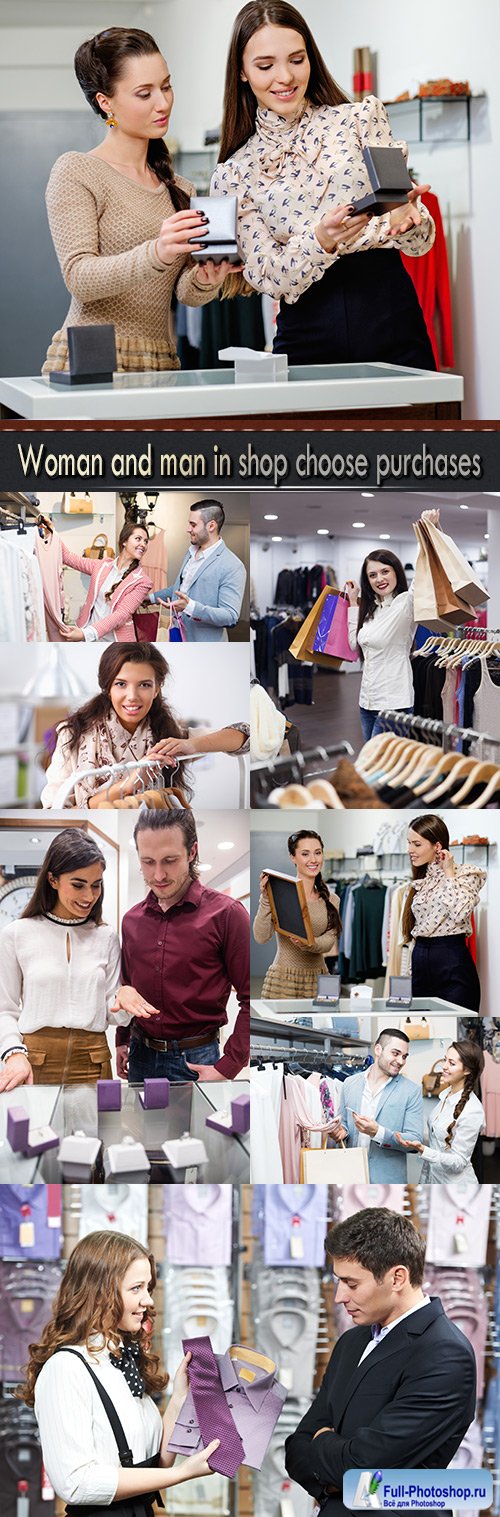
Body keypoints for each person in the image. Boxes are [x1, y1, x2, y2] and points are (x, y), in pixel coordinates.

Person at [212, 2, 436, 369]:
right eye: (265, 66)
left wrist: (409, 218)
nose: (284, 77)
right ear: (241, 71)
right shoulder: (235, 173)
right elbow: (269, 276)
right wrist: (321, 239)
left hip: (392, 318)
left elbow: (419, 243)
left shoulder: (362, 120)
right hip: (307, 335)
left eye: (297, 60)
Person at [43, 26, 234, 375]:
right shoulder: (78, 171)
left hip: (159, 358)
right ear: (105, 102)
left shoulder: (181, 188)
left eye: (166, 86)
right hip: (92, 354)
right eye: (144, 93)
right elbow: (79, 277)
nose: (163, 103)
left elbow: (184, 294)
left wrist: (208, 277)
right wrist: (157, 252)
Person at [284, 1208, 476, 1517]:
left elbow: (364, 1464)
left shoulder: (444, 1353)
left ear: (397, 1277)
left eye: (351, 1283)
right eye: (338, 1281)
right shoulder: (351, 1342)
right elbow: (297, 1448)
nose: (339, 1297)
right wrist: (334, 1462)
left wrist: (325, 1448)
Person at [21, 1230, 220, 1513]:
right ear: (100, 1293)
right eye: (136, 1288)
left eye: (148, 1288)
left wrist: (179, 1397)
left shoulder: (123, 1361)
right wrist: (182, 1474)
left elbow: (157, 1463)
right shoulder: (65, 1369)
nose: (149, 1301)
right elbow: (75, 1483)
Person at [0, 830, 155, 1091]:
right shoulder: (17, 934)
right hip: (35, 1062)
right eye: (78, 884)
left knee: (97, 1132)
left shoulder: (105, 937)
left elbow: (112, 1014)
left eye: (96, 885)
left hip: (93, 1062)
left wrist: (124, 998)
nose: (89, 897)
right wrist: (13, 1053)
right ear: (52, 879)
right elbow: (5, 1008)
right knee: (39, 1132)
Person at [115, 807, 249, 1084]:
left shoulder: (227, 915)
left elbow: (253, 997)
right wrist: (121, 1039)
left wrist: (230, 1064)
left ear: (192, 852)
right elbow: (128, 987)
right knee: (141, 1129)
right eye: (148, 862)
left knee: (199, 1130)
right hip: (140, 1054)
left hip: (197, 1059)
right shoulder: (131, 921)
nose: (159, 875)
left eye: (170, 860)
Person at [40, 642, 250, 809]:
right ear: (107, 687)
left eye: (144, 685)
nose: (132, 697)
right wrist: (128, 786)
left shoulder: (168, 733)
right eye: (121, 684)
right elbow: (56, 810)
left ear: (157, 688)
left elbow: (244, 735)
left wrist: (192, 745)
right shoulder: (72, 734)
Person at [345, 508, 453, 742]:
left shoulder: (406, 603)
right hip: (367, 701)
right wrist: (354, 602)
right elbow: (354, 645)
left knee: (379, 768)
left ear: (396, 573)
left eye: (385, 571)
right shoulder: (371, 609)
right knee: (376, 768)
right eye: (372, 575)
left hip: (394, 703)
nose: (379, 579)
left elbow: (424, 571)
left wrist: (427, 530)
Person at [401, 814, 485, 1011]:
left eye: (416, 844)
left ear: (437, 846)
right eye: (409, 843)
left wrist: (448, 873)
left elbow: (460, 913)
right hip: (420, 961)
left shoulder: (466, 874)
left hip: (451, 962)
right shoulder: (421, 880)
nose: (410, 850)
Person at [253, 829, 341, 998]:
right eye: (305, 854)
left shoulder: (332, 900)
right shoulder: (280, 895)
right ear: (293, 857)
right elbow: (261, 937)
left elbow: (329, 941)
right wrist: (265, 898)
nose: (313, 860)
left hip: (319, 979)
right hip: (284, 979)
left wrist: (309, 944)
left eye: (318, 853)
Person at [330, 1029, 423, 1182]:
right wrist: (341, 1132)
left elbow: (414, 1141)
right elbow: (345, 1124)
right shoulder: (349, 1083)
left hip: (387, 1181)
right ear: (378, 1050)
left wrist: (378, 1132)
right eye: (395, 1053)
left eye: (404, 1056)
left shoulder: (411, 1091)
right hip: (350, 1176)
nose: (400, 1061)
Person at [153, 501, 247, 641]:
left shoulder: (233, 565)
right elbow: (181, 589)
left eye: (193, 524)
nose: (188, 529)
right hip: (176, 635)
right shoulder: (190, 552)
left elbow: (230, 616)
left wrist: (190, 607)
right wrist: (150, 598)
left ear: (211, 526)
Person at [396, 1039, 485, 1183]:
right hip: (432, 1178)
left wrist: (423, 1150)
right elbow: (438, 1139)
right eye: (445, 1060)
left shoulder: (473, 1111)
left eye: (452, 1063)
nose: (444, 1066)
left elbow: (459, 1162)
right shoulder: (445, 1095)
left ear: (467, 1070)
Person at [59, 522, 153, 643]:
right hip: (89, 639)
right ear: (124, 541)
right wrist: (51, 532)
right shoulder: (102, 565)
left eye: (145, 541)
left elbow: (121, 615)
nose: (143, 545)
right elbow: (68, 557)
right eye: (138, 539)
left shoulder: (143, 581)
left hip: (116, 644)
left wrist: (85, 634)